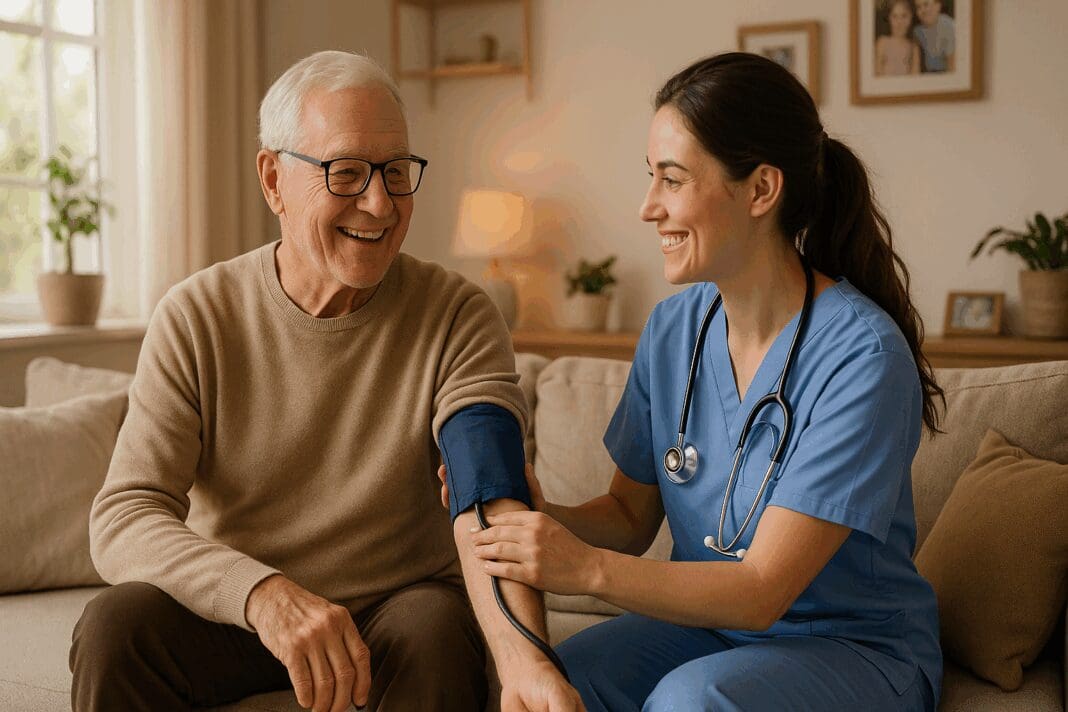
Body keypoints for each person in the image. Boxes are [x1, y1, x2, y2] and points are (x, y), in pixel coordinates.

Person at [69, 50, 582, 712]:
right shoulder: (198, 315)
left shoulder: (458, 314)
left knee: (435, 630)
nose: (379, 203)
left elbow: (490, 494)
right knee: (117, 628)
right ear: (274, 180)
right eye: (346, 173)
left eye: (396, 172)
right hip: (245, 613)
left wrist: (524, 664)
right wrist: (263, 595)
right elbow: (124, 514)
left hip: (397, 610)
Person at [443, 52, 945, 710]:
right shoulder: (673, 330)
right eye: (651, 177)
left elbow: (765, 589)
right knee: (553, 677)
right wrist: (543, 518)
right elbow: (628, 517)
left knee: (692, 700)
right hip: (709, 631)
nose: (648, 207)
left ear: (762, 190)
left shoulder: (861, 355)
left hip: (851, 647)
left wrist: (585, 569)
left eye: (672, 180)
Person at [876, 0, 921, 76]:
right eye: (894, 16)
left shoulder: (913, 47)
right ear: (889, 18)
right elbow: (877, 72)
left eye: (904, 16)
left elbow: (915, 76)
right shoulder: (882, 42)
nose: (899, 21)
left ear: (910, 17)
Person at [913, 0, 956, 72]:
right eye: (918, 7)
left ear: (938, 5)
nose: (922, 10)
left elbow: (952, 66)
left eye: (926, 4)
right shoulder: (917, 32)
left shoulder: (949, 26)